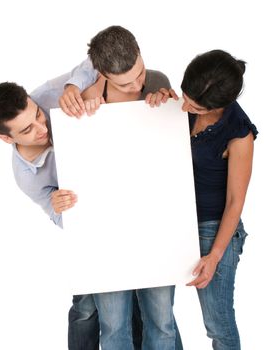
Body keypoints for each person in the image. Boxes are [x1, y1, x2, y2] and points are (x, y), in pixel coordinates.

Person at [67, 25, 181, 350]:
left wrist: (168, 106)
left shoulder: (156, 80)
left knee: (161, 323)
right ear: (101, 74)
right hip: (106, 233)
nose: (136, 86)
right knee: (114, 327)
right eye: (124, 83)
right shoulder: (83, 98)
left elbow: (168, 153)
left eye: (139, 73)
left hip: (154, 226)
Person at [0, 70, 101, 350]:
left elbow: (95, 62)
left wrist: (75, 87)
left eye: (37, 115)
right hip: (91, 226)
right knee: (86, 306)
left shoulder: (46, 94)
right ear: (6, 139)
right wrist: (59, 206)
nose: (41, 127)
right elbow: (59, 217)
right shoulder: (26, 176)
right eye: (27, 130)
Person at [149, 49, 258, 350]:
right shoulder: (179, 108)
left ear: (219, 106)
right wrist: (157, 105)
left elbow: (236, 201)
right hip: (172, 221)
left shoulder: (239, 134)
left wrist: (214, 256)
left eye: (193, 105)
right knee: (159, 319)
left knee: (217, 325)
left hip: (213, 229)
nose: (184, 107)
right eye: (184, 96)